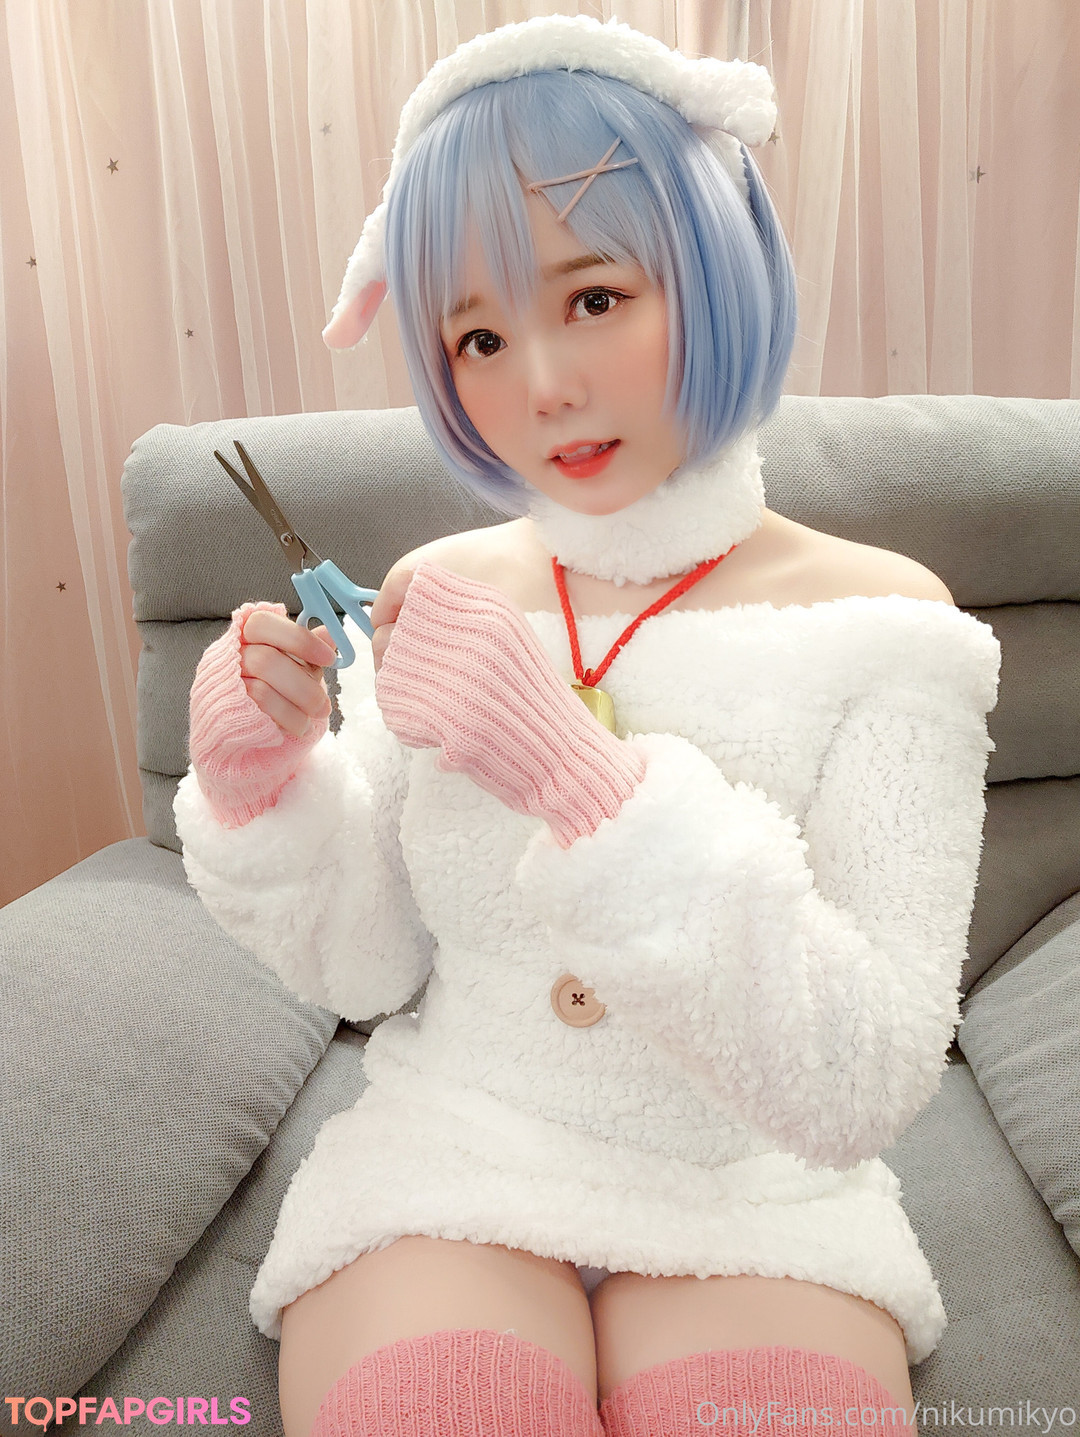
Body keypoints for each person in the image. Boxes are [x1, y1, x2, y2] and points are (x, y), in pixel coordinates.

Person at [174, 16, 1002, 1437]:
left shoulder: (888, 623)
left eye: (598, 297)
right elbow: (370, 960)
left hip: (757, 1191)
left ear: (716, 267)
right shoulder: (436, 590)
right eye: (480, 336)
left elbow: (867, 1071)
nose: (543, 384)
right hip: (458, 1154)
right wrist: (261, 780)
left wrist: (581, 780)